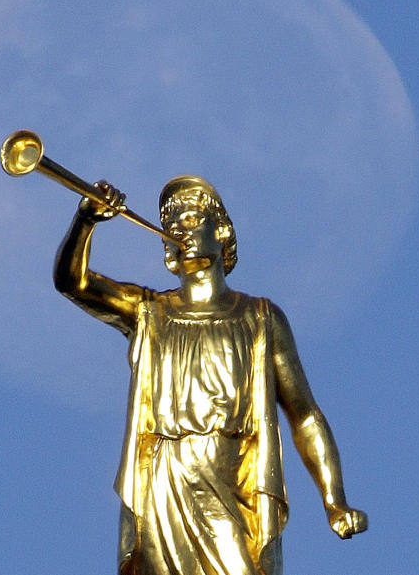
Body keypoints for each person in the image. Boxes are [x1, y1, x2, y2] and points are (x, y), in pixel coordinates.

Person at [54, 175, 367, 575]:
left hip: (232, 478)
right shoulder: (150, 310)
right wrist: (86, 219)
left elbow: (305, 415)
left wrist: (334, 500)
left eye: (191, 218)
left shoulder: (261, 318)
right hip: (164, 481)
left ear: (220, 231)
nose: (180, 229)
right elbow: (73, 281)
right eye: (172, 226)